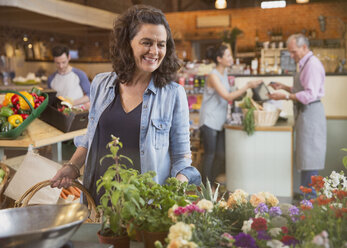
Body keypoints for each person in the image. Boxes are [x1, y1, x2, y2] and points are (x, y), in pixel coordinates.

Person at [50, 5, 201, 204]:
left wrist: (171, 193)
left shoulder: (173, 94)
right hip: (98, 199)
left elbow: (181, 156)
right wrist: (73, 166)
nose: (155, 51)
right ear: (127, 44)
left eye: (161, 44)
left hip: (145, 204)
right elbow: (90, 137)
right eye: (146, 42)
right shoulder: (101, 84)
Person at [269, 34, 326, 198]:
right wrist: (285, 87)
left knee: (310, 162)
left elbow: (309, 95)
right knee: (306, 161)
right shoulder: (305, 63)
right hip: (306, 114)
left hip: (311, 115)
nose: (291, 56)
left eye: (293, 52)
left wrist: (285, 97)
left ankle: (309, 206)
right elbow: (302, 89)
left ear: (304, 47)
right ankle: (306, 203)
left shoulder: (312, 65)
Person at [199, 43, 262, 185]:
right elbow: (227, 96)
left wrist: (247, 91)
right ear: (219, 58)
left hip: (220, 120)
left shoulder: (224, 74)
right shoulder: (213, 76)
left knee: (221, 154)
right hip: (209, 120)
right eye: (228, 55)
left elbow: (231, 94)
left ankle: (212, 183)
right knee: (210, 154)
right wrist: (247, 86)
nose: (231, 58)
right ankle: (205, 187)